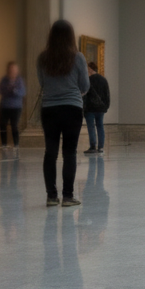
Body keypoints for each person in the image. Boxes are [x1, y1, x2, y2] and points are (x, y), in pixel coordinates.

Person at [36, 20, 89, 207]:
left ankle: (51, 196)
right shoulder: (78, 57)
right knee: (70, 153)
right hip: (72, 108)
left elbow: (42, 83)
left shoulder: (42, 58)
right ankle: (67, 196)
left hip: (49, 109)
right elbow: (85, 85)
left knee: (50, 153)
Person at [83, 61, 110, 155]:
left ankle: (93, 146)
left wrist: (83, 108)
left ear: (90, 69)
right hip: (101, 108)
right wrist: (106, 106)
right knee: (100, 126)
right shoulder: (103, 80)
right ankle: (101, 147)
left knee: (91, 127)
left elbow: (85, 95)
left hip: (90, 108)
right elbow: (107, 94)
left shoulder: (88, 80)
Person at [0, 62, 25, 149]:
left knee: (14, 126)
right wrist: (8, 89)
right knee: (3, 126)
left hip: (16, 107)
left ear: (17, 70)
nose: (12, 71)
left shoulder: (19, 81)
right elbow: (0, 90)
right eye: (11, 69)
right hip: (4, 106)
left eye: (14, 69)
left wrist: (14, 90)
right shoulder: (4, 80)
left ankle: (16, 144)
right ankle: (4, 144)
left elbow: (22, 92)